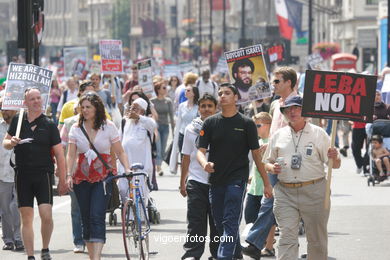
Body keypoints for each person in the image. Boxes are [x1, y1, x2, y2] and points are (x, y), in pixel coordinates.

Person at [197, 83, 272, 260]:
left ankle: (224, 257)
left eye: (227, 93)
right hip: (215, 181)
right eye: (220, 93)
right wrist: (204, 164)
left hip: (237, 180)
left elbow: (256, 155)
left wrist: (267, 183)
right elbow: (200, 152)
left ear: (236, 98)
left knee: (230, 221)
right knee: (220, 224)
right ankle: (236, 252)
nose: (222, 96)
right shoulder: (210, 123)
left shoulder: (247, 124)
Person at [264, 95, 341, 260]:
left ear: (305, 111)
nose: (292, 112)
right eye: (288, 109)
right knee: (286, 237)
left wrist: (334, 156)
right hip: (285, 192)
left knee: (316, 239)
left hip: (315, 191)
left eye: (297, 108)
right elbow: (267, 163)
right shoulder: (278, 135)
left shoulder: (318, 133)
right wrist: (273, 168)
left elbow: (335, 165)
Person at [3, 88, 68, 260]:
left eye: (39, 98)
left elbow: (60, 154)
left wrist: (63, 179)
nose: (36, 101)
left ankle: (45, 249)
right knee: (27, 217)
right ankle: (30, 255)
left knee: (46, 215)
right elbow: (5, 143)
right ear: (25, 102)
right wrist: (12, 141)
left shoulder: (49, 124)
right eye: (32, 99)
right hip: (22, 174)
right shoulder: (18, 120)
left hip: (43, 174)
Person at [66, 92, 131, 260]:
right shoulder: (75, 127)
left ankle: (96, 257)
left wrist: (127, 169)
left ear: (97, 108)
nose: (85, 110)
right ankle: (93, 256)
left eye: (89, 107)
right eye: (83, 107)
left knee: (97, 215)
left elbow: (120, 151)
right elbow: (71, 155)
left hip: (103, 178)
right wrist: (67, 175)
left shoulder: (108, 126)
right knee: (85, 218)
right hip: (81, 178)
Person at [242, 66, 299, 260]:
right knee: (271, 203)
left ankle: (255, 242)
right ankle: (258, 244)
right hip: (273, 161)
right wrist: (268, 146)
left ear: (288, 83)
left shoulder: (298, 104)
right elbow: (274, 132)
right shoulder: (275, 104)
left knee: (275, 204)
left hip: (290, 163)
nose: (272, 84)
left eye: (277, 81)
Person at [180, 94, 219, 260]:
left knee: (217, 222)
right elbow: (186, 156)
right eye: (203, 106)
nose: (207, 109)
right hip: (196, 181)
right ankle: (192, 253)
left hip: (218, 182)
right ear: (198, 108)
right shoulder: (190, 129)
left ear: (215, 108)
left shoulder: (222, 126)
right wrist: (182, 182)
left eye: (210, 106)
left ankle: (218, 254)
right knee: (196, 221)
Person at [118, 97, 157, 209]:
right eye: (131, 107)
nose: (132, 110)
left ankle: (139, 219)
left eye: (135, 108)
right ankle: (128, 216)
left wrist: (139, 117)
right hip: (125, 164)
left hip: (141, 165)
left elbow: (153, 125)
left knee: (140, 192)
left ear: (142, 111)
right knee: (123, 189)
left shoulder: (146, 123)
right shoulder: (124, 121)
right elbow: (118, 141)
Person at [0, 98, 24, 252]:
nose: (4, 111)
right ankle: (8, 239)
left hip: (21, 173)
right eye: (2, 108)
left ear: (15, 109)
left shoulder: (23, 126)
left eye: (7, 108)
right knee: (4, 209)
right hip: (2, 174)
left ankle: (19, 238)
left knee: (17, 207)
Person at [244, 112, 272, 225]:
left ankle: (267, 242)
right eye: (253, 126)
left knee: (265, 222)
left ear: (269, 124)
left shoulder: (274, 141)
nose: (255, 129)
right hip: (254, 188)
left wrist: (270, 146)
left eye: (258, 125)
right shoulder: (256, 142)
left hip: (266, 188)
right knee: (249, 219)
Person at [169, 85, 200, 175]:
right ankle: (184, 178)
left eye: (188, 90)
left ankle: (192, 175)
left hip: (195, 135)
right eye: (185, 90)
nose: (186, 92)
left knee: (193, 156)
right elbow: (179, 121)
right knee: (183, 157)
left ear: (194, 93)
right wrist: (176, 134)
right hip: (183, 134)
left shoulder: (198, 106)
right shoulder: (182, 106)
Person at [151, 81, 175, 175]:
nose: (166, 89)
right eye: (163, 88)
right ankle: (159, 167)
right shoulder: (152, 101)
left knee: (163, 147)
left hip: (165, 126)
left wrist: (173, 129)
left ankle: (159, 163)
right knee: (158, 147)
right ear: (158, 90)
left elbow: (171, 116)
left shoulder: (168, 101)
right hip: (156, 127)